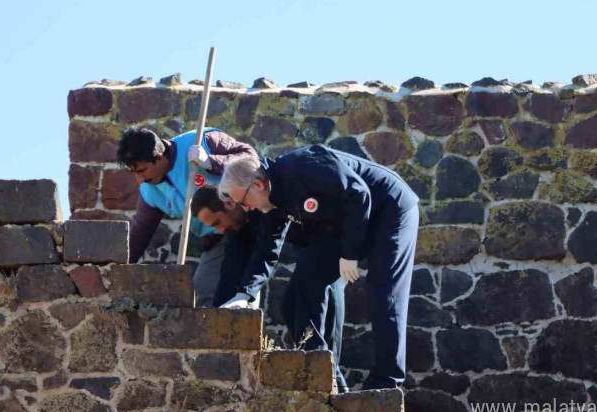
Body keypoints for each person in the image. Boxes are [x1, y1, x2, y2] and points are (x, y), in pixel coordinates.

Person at [218, 145, 419, 390]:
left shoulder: (303, 167)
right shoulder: (271, 202)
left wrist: (349, 254)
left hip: (388, 208)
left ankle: (386, 382)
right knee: (302, 286)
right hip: (346, 223)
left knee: (383, 292)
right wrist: (245, 294)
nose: (246, 209)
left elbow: (358, 193)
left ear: (257, 185)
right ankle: (323, 373)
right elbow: (266, 250)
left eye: (243, 201)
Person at [190, 186, 349, 392]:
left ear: (230, 204)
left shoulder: (264, 205)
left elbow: (265, 254)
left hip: (329, 243)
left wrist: (246, 293)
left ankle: (336, 391)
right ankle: (333, 387)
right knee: (291, 309)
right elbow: (231, 272)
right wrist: (221, 318)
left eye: (218, 222)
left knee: (316, 323)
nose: (220, 230)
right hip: (309, 251)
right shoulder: (239, 228)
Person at [117, 126, 257, 308]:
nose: (139, 180)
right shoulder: (149, 192)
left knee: (244, 291)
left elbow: (251, 159)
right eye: (134, 173)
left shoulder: (201, 141)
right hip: (216, 239)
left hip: (244, 223)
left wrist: (211, 162)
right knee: (202, 293)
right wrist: (117, 272)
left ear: (159, 158)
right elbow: (139, 236)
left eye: (142, 171)